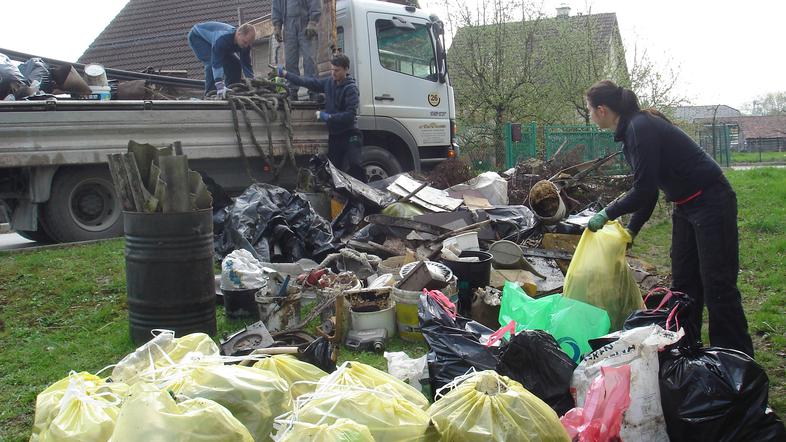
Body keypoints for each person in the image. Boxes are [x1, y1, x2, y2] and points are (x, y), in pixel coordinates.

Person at [584, 79, 754, 357]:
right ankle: (688, 353)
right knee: (684, 285)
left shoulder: (641, 127)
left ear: (602, 109)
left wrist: (607, 213)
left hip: (711, 200)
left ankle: (734, 362)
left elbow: (643, 190)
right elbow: (648, 192)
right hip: (685, 206)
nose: (590, 116)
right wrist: (632, 231)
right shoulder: (631, 131)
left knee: (717, 286)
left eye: (590, 110)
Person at [276, 54, 365, 181]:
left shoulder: (351, 89)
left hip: (350, 135)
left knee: (355, 165)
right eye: (332, 69)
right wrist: (286, 74)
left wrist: (328, 117)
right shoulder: (329, 82)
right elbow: (308, 82)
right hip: (335, 136)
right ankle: (338, 198)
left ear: (346, 69)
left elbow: (350, 116)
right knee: (334, 171)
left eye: (337, 70)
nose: (333, 73)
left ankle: (364, 196)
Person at [188, 22, 256, 98]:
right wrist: (219, 85)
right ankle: (210, 94)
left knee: (235, 64)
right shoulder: (222, 38)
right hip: (198, 38)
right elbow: (216, 63)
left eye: (249, 44)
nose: (246, 46)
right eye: (245, 42)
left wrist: (252, 83)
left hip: (215, 42)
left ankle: (232, 90)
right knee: (211, 63)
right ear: (239, 34)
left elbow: (246, 64)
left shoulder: (245, 45)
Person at [271, 0, 321, 100]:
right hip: (288, 25)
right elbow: (276, 6)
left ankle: (314, 90)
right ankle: (292, 91)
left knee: (309, 59)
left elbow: (314, 2)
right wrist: (277, 25)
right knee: (290, 61)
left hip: (305, 23)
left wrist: (313, 21)